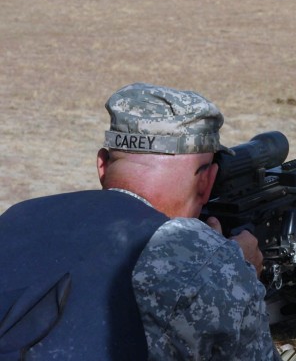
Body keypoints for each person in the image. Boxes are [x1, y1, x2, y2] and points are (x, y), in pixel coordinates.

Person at [0, 83, 281, 360]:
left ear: (101, 165)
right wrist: (238, 272)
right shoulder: (201, 254)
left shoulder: (18, 216)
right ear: (206, 182)